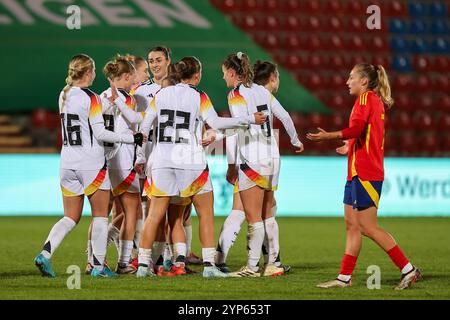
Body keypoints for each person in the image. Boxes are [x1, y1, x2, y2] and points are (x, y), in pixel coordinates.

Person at [135, 56, 266, 278]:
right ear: (197, 75)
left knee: (154, 215)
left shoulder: (160, 94)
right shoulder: (199, 96)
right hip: (191, 161)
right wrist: (249, 119)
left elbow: (144, 129)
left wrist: (140, 157)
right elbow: (215, 123)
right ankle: (208, 266)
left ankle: (142, 267)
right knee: (205, 212)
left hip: (162, 161)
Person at [307, 63, 421, 290]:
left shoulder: (365, 99)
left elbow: (358, 129)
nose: (347, 82)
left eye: (351, 78)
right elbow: (365, 132)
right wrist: (349, 145)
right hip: (356, 172)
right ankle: (344, 278)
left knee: (368, 226)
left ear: (364, 81)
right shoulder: (373, 101)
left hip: (366, 172)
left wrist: (329, 136)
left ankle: (408, 269)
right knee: (351, 225)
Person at [34, 54, 144, 278]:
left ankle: (45, 254)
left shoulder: (63, 94)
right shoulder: (92, 98)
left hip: (67, 162)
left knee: (70, 217)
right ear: (88, 72)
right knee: (101, 216)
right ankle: (98, 266)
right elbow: (101, 132)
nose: (95, 74)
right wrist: (133, 139)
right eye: (93, 70)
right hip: (91, 163)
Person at [220, 52, 303, 277]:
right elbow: (285, 117)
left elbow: (237, 127)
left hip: (253, 159)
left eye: (224, 74)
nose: (224, 79)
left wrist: (231, 163)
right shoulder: (262, 91)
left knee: (253, 216)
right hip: (273, 158)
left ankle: (252, 266)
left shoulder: (236, 94)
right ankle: (273, 263)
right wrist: (296, 141)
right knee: (268, 213)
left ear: (231, 72)